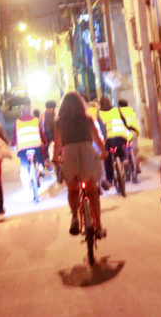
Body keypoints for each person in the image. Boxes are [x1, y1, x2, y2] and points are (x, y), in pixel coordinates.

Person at [54, 91, 107, 237]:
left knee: (72, 190)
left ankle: (75, 217)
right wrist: (103, 152)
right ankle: (98, 227)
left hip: (69, 154)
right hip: (86, 153)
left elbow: (57, 143)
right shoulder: (87, 119)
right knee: (92, 192)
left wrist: (54, 158)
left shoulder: (59, 122)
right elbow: (96, 138)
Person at [99, 96, 134, 188]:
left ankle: (110, 179)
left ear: (100, 105)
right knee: (121, 150)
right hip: (120, 137)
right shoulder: (117, 110)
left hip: (108, 140)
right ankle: (124, 160)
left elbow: (98, 129)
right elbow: (124, 122)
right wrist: (130, 129)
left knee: (107, 158)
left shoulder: (99, 114)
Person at [12, 100, 43, 199]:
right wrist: (44, 141)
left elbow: (14, 137)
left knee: (24, 166)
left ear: (22, 112)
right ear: (30, 112)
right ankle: (40, 167)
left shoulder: (17, 122)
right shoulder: (35, 120)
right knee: (38, 157)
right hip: (36, 146)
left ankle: (26, 183)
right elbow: (41, 133)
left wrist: (13, 146)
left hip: (23, 148)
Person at [118, 98, 141, 174]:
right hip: (134, 131)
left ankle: (126, 167)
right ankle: (137, 167)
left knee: (125, 150)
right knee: (135, 151)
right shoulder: (132, 111)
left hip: (124, 133)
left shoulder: (118, 111)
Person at [41, 100, 57, 169]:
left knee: (45, 148)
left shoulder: (43, 114)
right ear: (52, 108)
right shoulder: (55, 114)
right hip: (54, 134)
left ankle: (46, 161)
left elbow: (41, 126)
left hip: (46, 135)